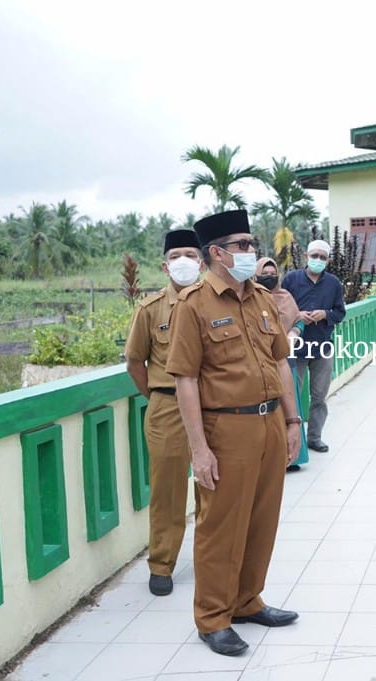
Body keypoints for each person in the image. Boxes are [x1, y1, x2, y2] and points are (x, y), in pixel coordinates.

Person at [165, 209, 302, 657]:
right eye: (242, 245)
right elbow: (184, 379)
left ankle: (247, 600)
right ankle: (212, 617)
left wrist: (293, 421)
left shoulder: (261, 300)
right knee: (220, 526)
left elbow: (280, 361)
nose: (251, 251)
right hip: (225, 428)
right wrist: (199, 449)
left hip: (268, 425)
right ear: (217, 253)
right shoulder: (194, 304)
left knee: (263, 520)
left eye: (251, 243)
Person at [124, 229, 204, 597]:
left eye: (191, 253)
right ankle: (162, 564)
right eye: (177, 255)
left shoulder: (214, 304)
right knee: (167, 489)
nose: (184, 260)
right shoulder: (149, 309)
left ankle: (211, 559)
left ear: (203, 261)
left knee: (214, 487)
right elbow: (135, 361)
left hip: (212, 405)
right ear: (165, 263)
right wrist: (158, 393)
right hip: (167, 405)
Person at [281, 239, 346, 452]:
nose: (318, 260)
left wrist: (325, 314)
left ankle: (314, 437)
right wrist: (297, 315)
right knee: (293, 395)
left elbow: (340, 313)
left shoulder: (333, 283)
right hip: (295, 348)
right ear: (306, 257)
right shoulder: (291, 279)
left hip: (322, 347)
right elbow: (278, 307)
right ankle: (291, 441)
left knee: (319, 396)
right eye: (314, 256)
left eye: (322, 257)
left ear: (328, 260)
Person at [255, 256, 309, 471]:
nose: (268, 278)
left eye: (272, 274)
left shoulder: (286, 297)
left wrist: (295, 332)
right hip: (262, 364)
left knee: (291, 407)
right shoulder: (251, 299)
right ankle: (273, 458)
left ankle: (293, 456)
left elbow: (298, 319)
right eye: (264, 274)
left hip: (286, 359)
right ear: (255, 275)